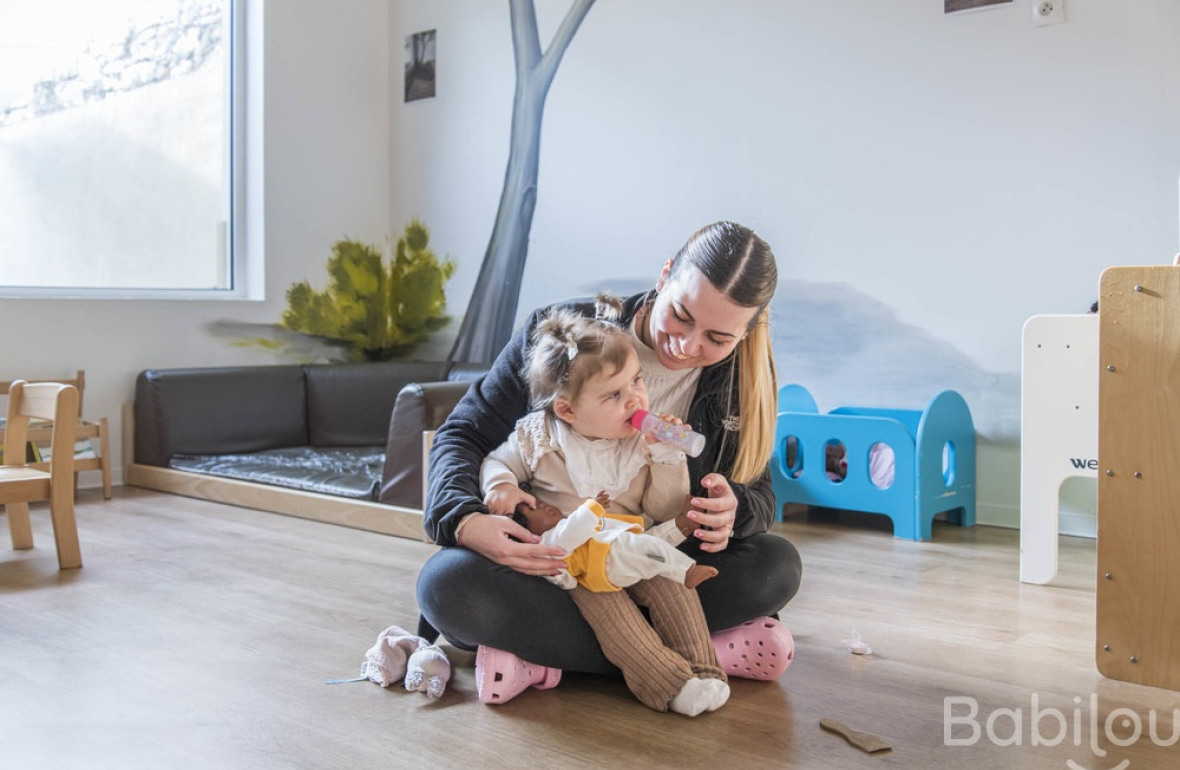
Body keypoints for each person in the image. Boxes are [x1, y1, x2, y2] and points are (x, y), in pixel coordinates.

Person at [418, 220, 803, 691]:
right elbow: (463, 434)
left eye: (717, 339)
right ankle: (695, 652)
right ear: (664, 276)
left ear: (745, 333)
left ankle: (547, 657)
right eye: (681, 314)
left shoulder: (742, 379)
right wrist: (464, 520)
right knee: (446, 584)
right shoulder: (565, 338)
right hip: (557, 560)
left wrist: (732, 509)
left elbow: (760, 495)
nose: (686, 345)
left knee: (775, 566)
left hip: (657, 556)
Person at [478, 307, 726, 714]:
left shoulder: (640, 441)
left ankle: (705, 671)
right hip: (578, 564)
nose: (635, 399)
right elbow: (496, 462)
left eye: (637, 381)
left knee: (676, 586)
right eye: (614, 395)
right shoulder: (539, 436)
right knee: (616, 617)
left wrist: (667, 457)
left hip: (635, 545)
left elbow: (662, 510)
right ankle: (667, 684)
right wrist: (501, 485)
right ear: (568, 410)